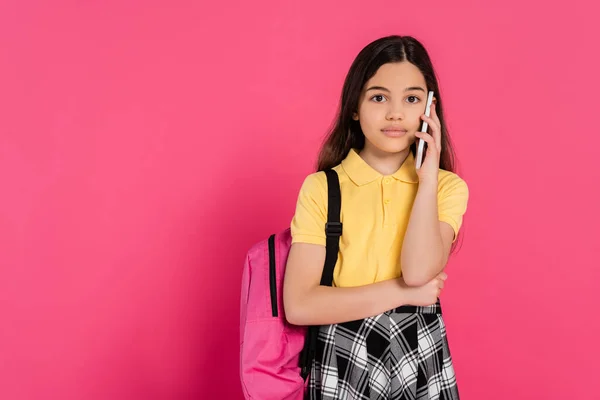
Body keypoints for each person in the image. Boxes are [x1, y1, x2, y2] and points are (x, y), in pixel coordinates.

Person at [283, 35, 469, 400]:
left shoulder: (446, 188)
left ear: (430, 109)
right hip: (343, 352)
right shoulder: (324, 187)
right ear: (355, 106)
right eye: (379, 97)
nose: (396, 113)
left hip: (419, 350)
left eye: (412, 99)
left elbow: (419, 271)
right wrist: (402, 292)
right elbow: (300, 305)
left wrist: (427, 177)